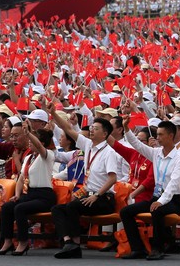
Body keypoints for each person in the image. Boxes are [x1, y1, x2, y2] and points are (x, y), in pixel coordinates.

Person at [115, 113, 180, 261]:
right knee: (126, 212)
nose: (157, 138)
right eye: (157, 134)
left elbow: (173, 184)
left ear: (171, 135)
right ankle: (138, 249)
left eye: (161, 135)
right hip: (156, 197)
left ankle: (157, 248)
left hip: (172, 200)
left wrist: (161, 201)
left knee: (157, 210)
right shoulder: (156, 153)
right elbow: (137, 145)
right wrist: (125, 127)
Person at [49, 111, 120, 259]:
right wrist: (53, 113)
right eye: (92, 127)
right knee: (57, 209)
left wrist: (96, 196)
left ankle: (75, 244)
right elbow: (68, 129)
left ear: (105, 133)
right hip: (88, 193)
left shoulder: (109, 152)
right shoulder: (88, 145)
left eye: (96, 128)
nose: (92, 130)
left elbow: (112, 178)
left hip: (104, 198)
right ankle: (69, 242)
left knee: (72, 207)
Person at [0, 126, 58, 256]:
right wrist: (17, 195)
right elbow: (21, 179)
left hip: (44, 196)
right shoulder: (29, 158)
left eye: (33, 140)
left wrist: (28, 133)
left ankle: (23, 242)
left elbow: (40, 148)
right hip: (30, 194)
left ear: (41, 143)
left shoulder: (48, 155)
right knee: (7, 207)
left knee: (20, 209)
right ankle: (7, 241)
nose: (29, 142)